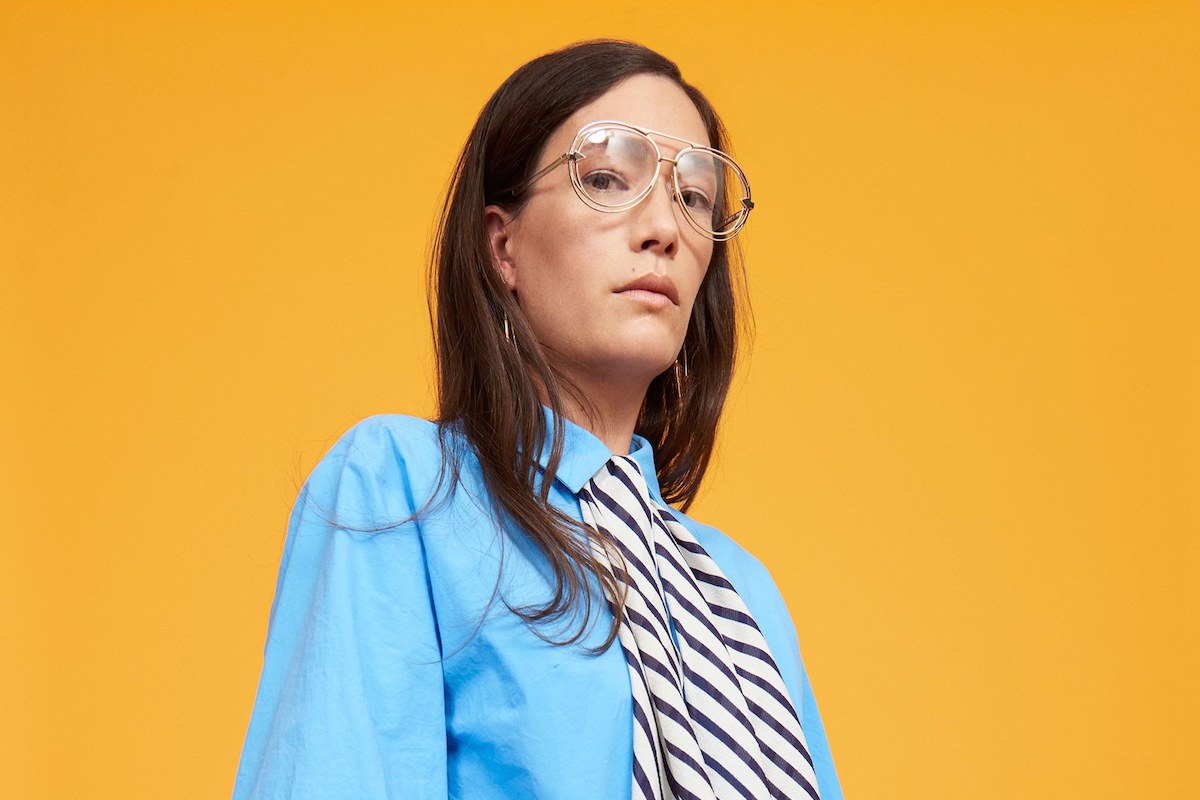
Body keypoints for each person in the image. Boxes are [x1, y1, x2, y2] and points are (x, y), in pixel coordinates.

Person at [232, 39, 842, 800]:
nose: (665, 227)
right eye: (607, 177)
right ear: (503, 245)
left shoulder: (741, 592)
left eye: (694, 196)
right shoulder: (404, 492)